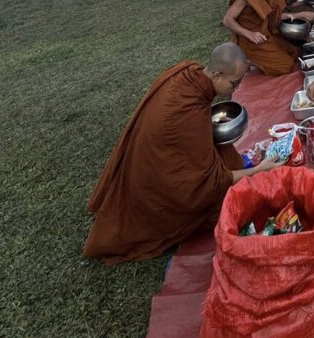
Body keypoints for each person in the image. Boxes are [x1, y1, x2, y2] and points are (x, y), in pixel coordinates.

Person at [83, 43, 284, 264]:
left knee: (229, 159)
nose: (235, 89)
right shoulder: (186, 114)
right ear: (216, 74)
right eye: (234, 83)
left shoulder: (189, 71)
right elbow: (211, 182)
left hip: (162, 152)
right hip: (158, 183)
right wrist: (259, 169)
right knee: (227, 202)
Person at [223, 0, 296, 75]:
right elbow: (227, 20)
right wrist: (249, 34)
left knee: (294, 52)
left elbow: (269, 13)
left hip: (266, 35)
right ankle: (249, 60)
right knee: (285, 66)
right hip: (250, 41)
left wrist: (282, 16)